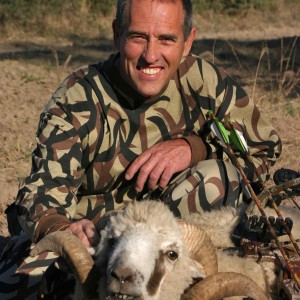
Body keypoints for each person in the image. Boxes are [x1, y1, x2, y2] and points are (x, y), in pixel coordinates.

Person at [0, 0, 282, 299]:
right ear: (117, 35)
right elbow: (40, 193)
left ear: (187, 42)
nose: (151, 55)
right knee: (28, 280)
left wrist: (194, 148)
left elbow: (264, 149)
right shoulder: (78, 96)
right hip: (99, 238)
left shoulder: (204, 82)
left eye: (166, 39)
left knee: (216, 176)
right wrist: (63, 227)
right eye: (138, 37)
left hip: (166, 242)